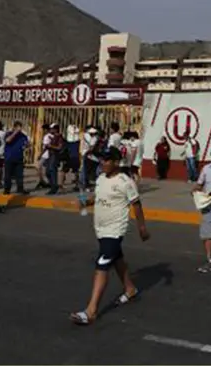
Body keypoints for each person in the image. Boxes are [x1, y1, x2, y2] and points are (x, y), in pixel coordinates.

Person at [70, 147, 150, 326]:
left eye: (107, 160)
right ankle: (130, 289)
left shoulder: (125, 181)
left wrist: (142, 227)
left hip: (115, 230)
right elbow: (97, 197)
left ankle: (91, 311)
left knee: (102, 265)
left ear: (116, 162)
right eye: (102, 160)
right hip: (101, 229)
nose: (104, 164)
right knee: (117, 259)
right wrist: (85, 202)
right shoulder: (100, 179)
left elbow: (136, 203)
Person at [3, 121, 30, 195]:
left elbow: (26, 145)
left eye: (20, 127)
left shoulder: (23, 136)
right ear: (14, 127)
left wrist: (27, 145)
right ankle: (7, 189)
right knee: (8, 175)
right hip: (9, 157)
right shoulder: (9, 134)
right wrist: (15, 133)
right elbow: (8, 140)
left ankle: (20, 188)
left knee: (19, 175)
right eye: (18, 127)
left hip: (19, 157)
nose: (19, 129)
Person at [44, 124, 65, 195]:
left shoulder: (59, 137)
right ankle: (53, 185)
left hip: (55, 156)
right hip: (50, 155)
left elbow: (59, 147)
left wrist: (51, 146)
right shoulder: (53, 137)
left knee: (52, 171)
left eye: (52, 129)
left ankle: (54, 187)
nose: (50, 130)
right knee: (48, 172)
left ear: (56, 129)